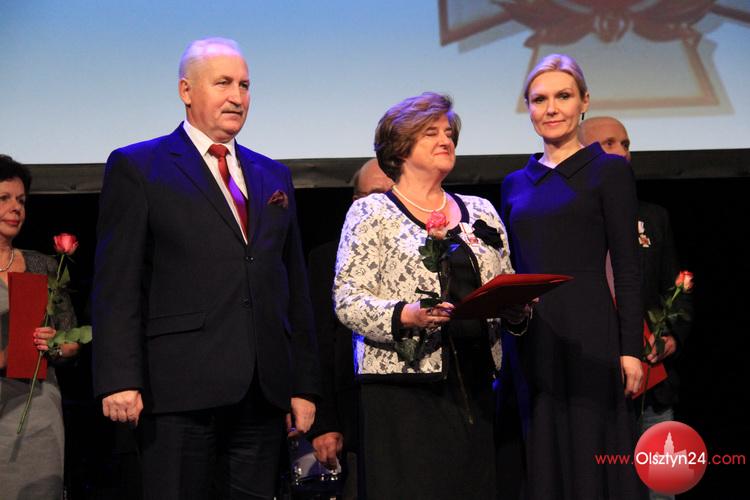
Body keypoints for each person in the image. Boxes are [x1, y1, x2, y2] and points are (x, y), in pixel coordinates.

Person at [92, 38, 320, 499]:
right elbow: (117, 283)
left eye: (244, 85)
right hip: (177, 389)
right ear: (186, 90)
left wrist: (304, 385)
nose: (237, 97)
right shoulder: (139, 166)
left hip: (261, 391)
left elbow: (292, 285)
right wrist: (119, 378)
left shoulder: (272, 175)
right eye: (223, 83)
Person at [334, 92, 529, 499]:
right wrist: (406, 315)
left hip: (476, 383)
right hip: (403, 390)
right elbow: (347, 299)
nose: (445, 140)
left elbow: (506, 281)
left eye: (448, 132)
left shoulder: (481, 210)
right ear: (400, 147)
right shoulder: (372, 212)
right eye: (431, 133)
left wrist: (516, 309)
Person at [500, 54, 647, 499]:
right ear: (528, 107)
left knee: (593, 445)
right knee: (542, 448)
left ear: (584, 102)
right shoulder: (514, 183)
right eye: (539, 99)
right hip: (534, 333)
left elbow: (627, 265)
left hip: (591, 329)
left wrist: (631, 349)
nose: (551, 109)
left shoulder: (609, 170)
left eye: (563, 96)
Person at [579, 116, 692, 500]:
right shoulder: (569, 220)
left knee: (661, 489)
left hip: (652, 387)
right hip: (593, 387)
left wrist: (671, 338)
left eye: (626, 144)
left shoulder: (653, 216)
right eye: (610, 144)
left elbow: (677, 288)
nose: (623, 153)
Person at [306, 158, 393, 499]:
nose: (383, 204)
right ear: (356, 202)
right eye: (374, 195)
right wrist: (324, 423)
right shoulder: (327, 259)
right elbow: (317, 342)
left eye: (392, 195)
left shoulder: (426, 253)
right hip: (354, 418)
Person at [0, 154, 80, 499]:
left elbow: (72, 339)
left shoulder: (41, 266)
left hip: (38, 411)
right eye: (4, 198)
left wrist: (56, 344)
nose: (15, 208)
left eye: (21, 201)